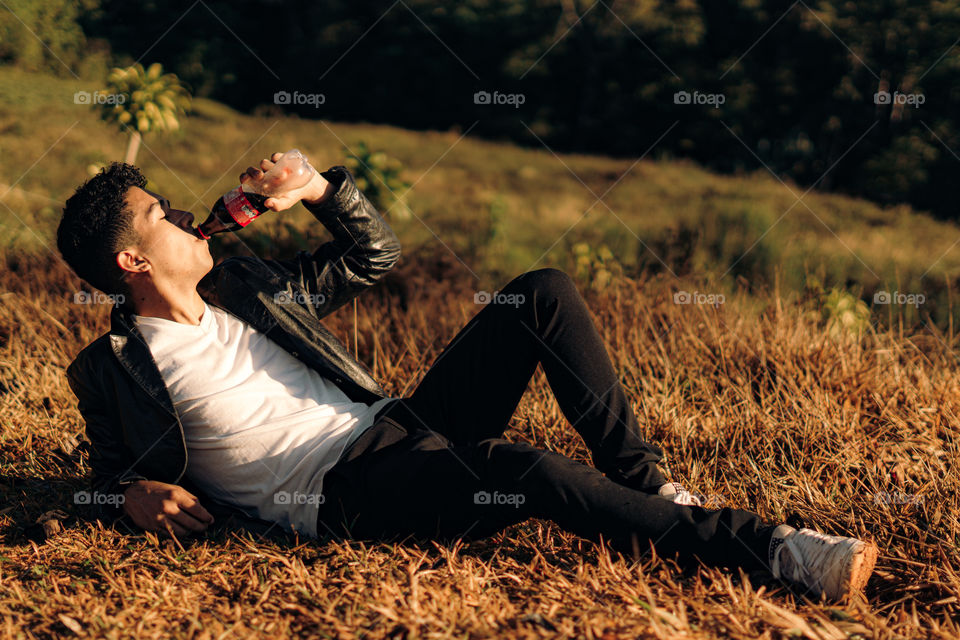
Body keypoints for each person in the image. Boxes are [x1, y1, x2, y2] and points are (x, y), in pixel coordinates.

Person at [57, 152, 877, 602]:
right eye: (159, 214)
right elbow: (98, 479)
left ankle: (652, 490)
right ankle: (775, 554)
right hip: (343, 496)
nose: (180, 212)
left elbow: (372, 256)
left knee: (541, 293)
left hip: (400, 424)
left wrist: (317, 190)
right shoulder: (112, 367)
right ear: (132, 260)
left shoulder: (244, 287)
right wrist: (126, 494)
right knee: (527, 470)